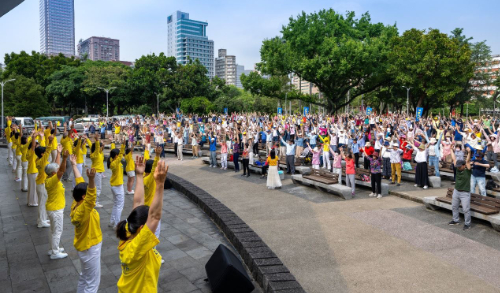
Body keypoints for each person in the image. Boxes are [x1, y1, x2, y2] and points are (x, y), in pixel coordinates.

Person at [116, 157, 168, 293]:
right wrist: (160, 185)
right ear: (142, 229)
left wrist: (139, 175)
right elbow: (155, 216)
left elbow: (138, 203)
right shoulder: (137, 246)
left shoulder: (128, 230)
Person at [70, 160, 102, 293]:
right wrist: (92, 180)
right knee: (92, 283)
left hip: (84, 247)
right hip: (90, 248)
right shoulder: (84, 209)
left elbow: (79, 181)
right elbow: (91, 197)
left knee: (84, 277)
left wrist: (73, 165)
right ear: (84, 196)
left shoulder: (76, 203)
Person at [45, 149, 70, 259]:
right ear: (54, 173)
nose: (59, 168)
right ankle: (55, 252)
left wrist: (59, 154)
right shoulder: (53, 180)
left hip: (53, 208)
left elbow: (58, 168)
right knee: (57, 231)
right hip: (56, 209)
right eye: (57, 169)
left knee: (53, 231)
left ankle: (53, 248)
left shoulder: (50, 178)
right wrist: (65, 158)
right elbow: (62, 170)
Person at [449, 145, 472, 230]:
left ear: (464, 165)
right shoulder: (458, 169)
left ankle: (467, 224)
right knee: (454, 207)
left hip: (465, 192)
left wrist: (469, 152)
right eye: (457, 166)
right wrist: (451, 149)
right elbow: (454, 159)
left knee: (466, 209)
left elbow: (468, 161)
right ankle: (455, 220)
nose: (458, 167)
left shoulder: (467, 171)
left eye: (460, 166)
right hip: (456, 191)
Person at [35, 136, 55, 228]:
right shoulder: (42, 161)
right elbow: (48, 151)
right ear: (42, 154)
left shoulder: (38, 159)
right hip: (42, 184)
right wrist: (50, 142)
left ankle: (42, 219)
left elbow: (46, 152)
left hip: (41, 183)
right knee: (42, 203)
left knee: (42, 202)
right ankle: (41, 221)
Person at [108, 143, 126, 228]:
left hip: (115, 185)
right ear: (116, 155)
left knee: (116, 204)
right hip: (117, 186)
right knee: (119, 205)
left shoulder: (113, 162)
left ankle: (112, 221)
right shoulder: (114, 163)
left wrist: (113, 144)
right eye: (118, 154)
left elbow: (118, 154)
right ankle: (117, 224)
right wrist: (123, 146)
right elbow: (121, 155)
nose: (120, 156)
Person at [90, 135, 104, 208]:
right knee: (98, 188)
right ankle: (95, 202)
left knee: (95, 187)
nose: (101, 148)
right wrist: (97, 140)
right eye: (100, 146)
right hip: (97, 172)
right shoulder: (95, 154)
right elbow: (97, 147)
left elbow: (99, 148)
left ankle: (94, 201)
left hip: (97, 172)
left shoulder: (98, 153)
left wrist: (101, 144)